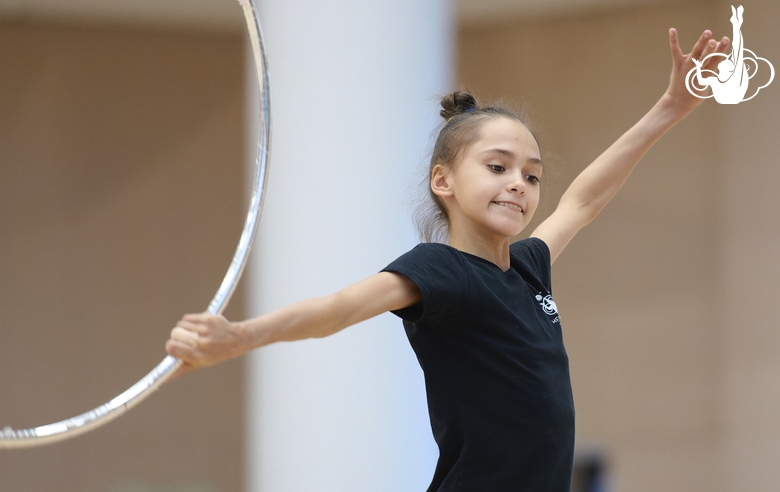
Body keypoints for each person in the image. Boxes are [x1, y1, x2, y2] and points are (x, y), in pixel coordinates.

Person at [166, 27, 729, 492]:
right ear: (444, 181)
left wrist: (668, 109)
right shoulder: (441, 270)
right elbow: (337, 309)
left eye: (531, 175)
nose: (518, 185)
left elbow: (582, 199)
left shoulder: (530, 264)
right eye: (497, 166)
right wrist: (241, 336)